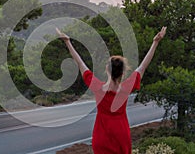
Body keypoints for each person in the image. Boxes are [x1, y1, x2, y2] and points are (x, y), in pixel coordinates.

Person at [56, 26, 167, 154]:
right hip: (121, 134)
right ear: (123, 72)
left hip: (102, 136)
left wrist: (67, 42)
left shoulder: (98, 88)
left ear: (107, 70)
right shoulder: (126, 88)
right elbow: (143, 66)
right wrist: (155, 42)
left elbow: (81, 64)